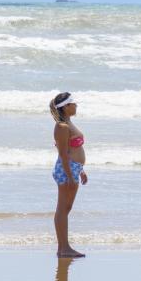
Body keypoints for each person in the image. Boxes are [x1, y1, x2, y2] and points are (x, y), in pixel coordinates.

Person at [50, 92, 89, 258]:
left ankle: (63, 248)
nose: (76, 105)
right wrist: (71, 176)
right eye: (73, 103)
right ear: (65, 107)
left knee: (66, 208)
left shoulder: (69, 123)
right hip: (66, 169)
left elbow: (74, 151)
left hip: (73, 168)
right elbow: (64, 154)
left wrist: (80, 170)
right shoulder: (61, 127)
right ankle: (64, 248)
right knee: (62, 208)